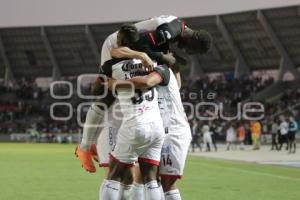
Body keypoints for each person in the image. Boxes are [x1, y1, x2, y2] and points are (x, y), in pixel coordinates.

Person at [100, 58, 170, 200]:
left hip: (135, 125)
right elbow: (148, 81)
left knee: (113, 175)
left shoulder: (112, 67)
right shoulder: (155, 63)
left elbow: (98, 87)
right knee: (151, 178)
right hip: (156, 126)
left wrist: (114, 84)